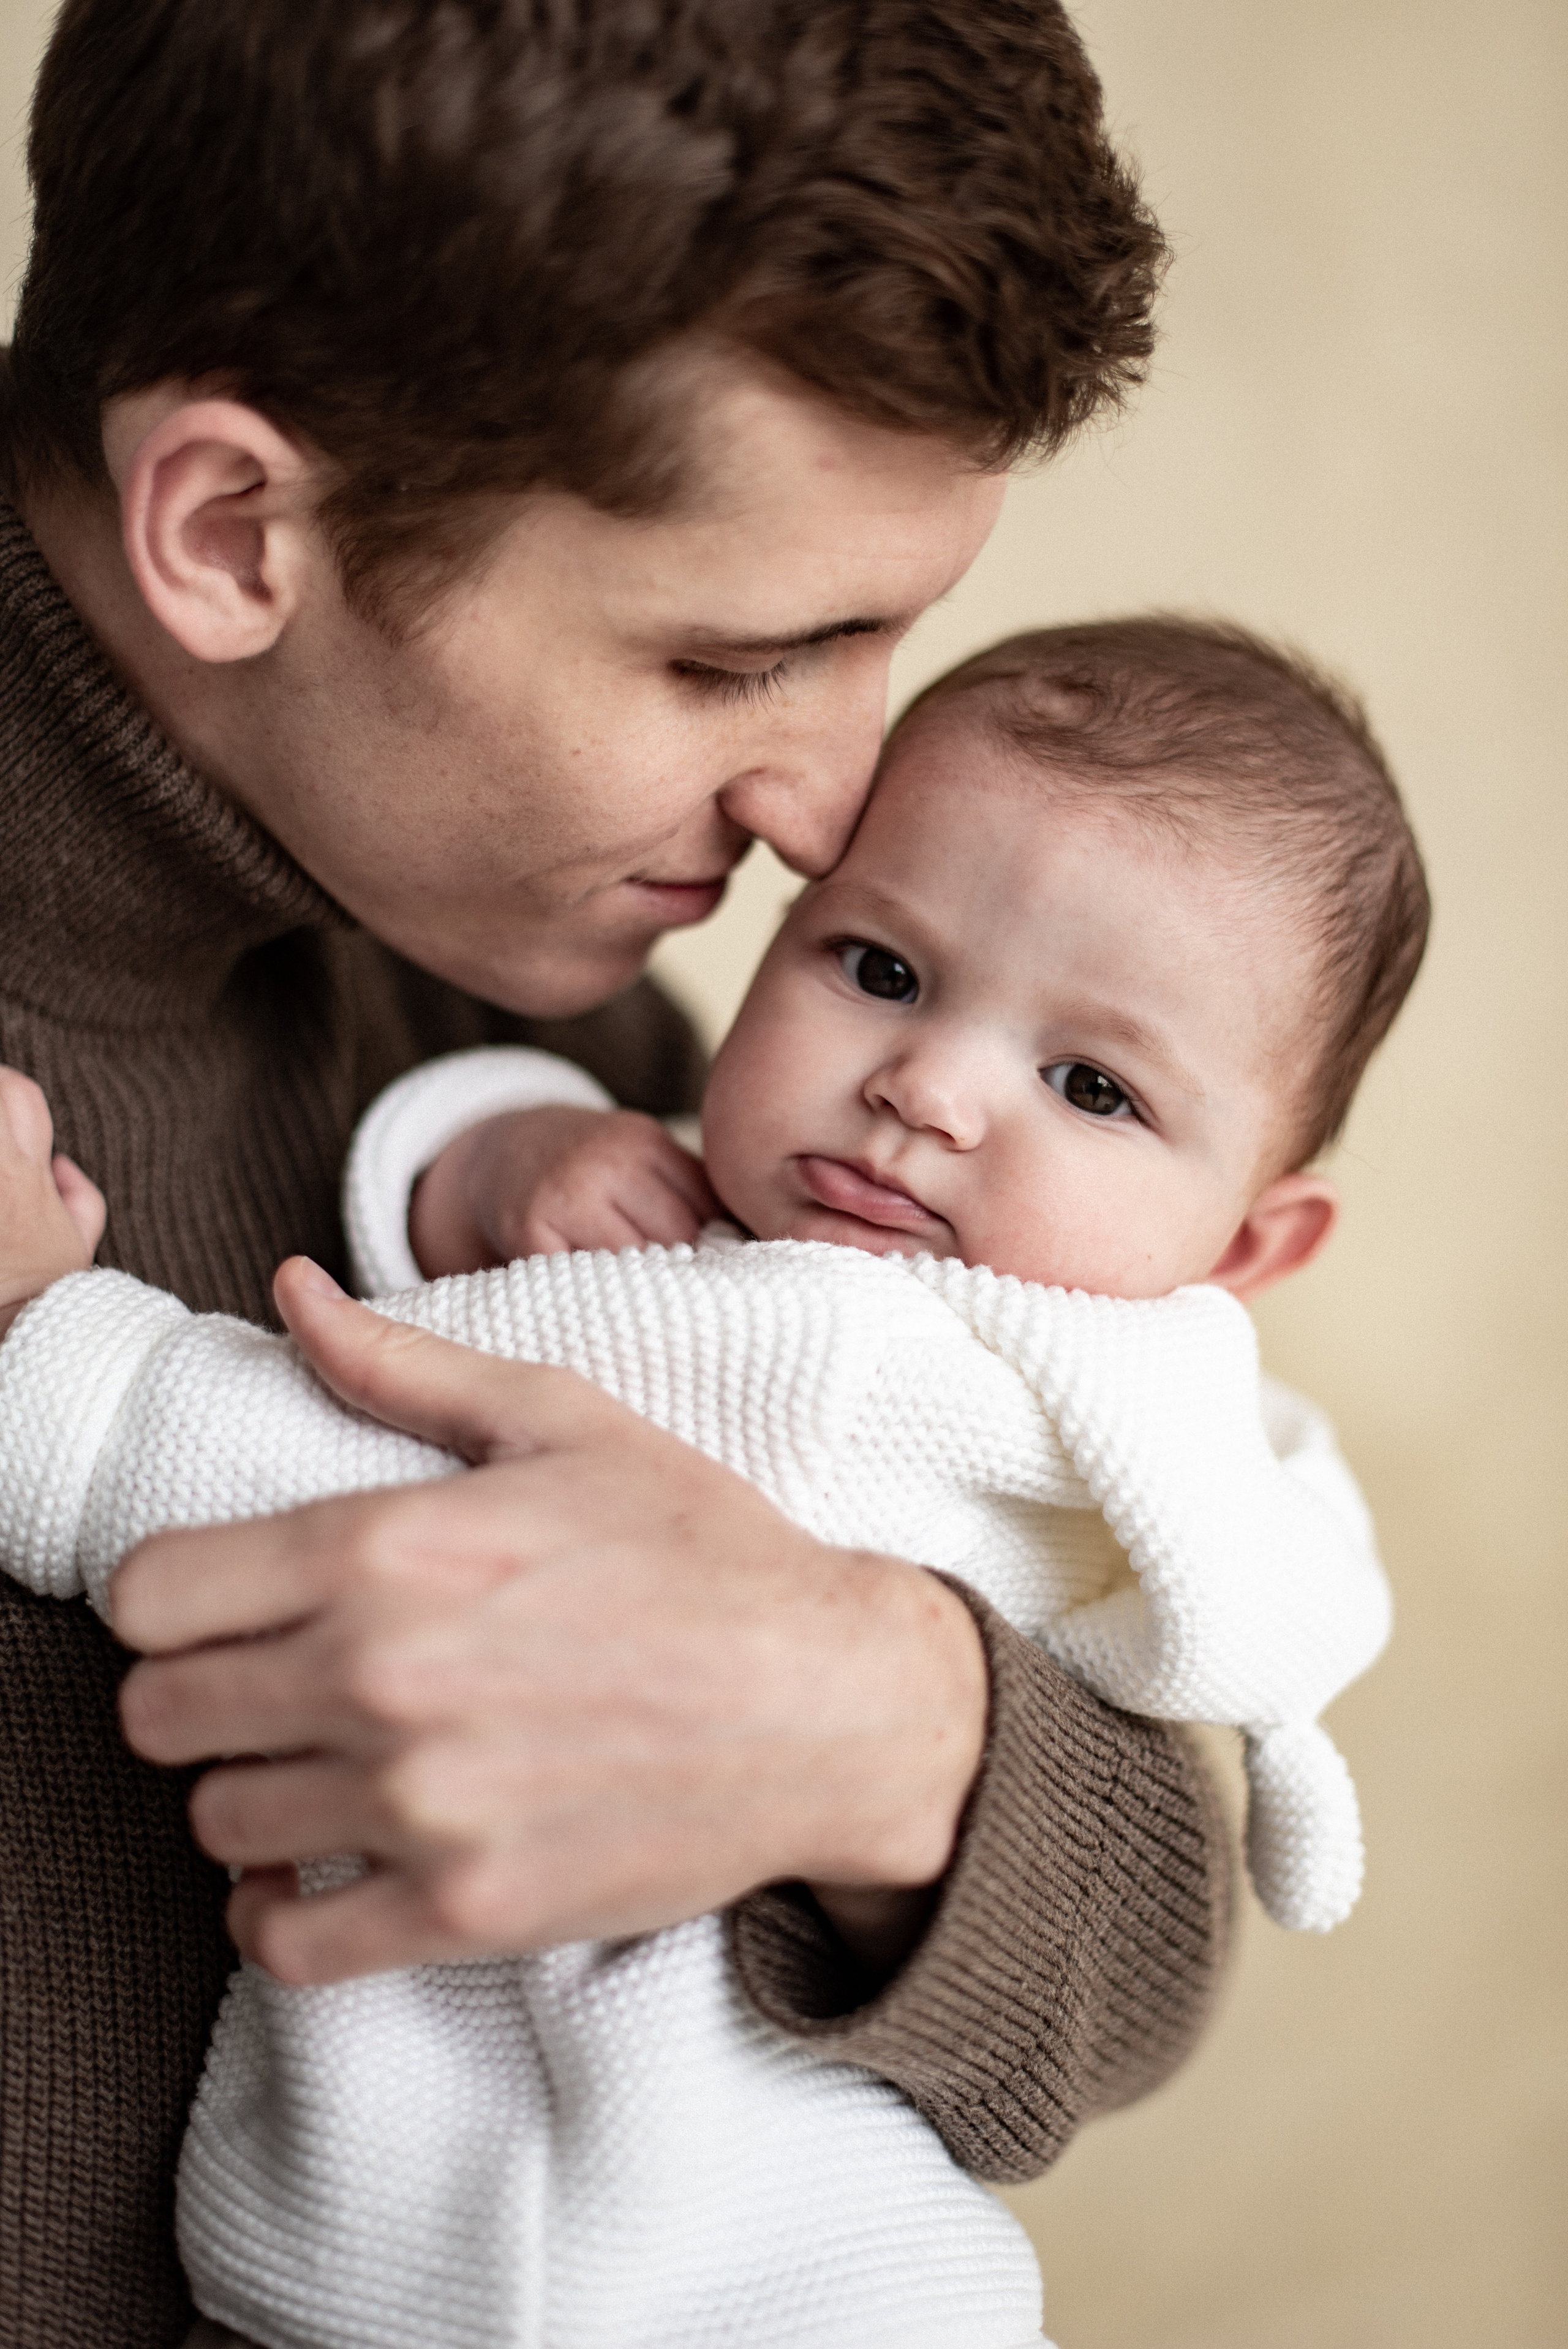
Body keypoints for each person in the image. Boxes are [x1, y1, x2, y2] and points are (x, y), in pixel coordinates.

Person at [0, 7, 1224, 2343]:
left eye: (893, 638)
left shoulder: (563, 1031)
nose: (833, 816)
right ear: (236, 531)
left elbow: (1152, 1944)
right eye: (737, 660)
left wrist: (886, 1721)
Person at [0, 618, 1424, 2349]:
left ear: (1254, 1244)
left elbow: (344, 1499)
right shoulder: (1168, 1462)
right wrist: (498, 1151)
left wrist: (53, 1351)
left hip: (584, 2266)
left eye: (1090, 1084)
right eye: (879, 969)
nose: (926, 1089)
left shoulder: (838, 1341)